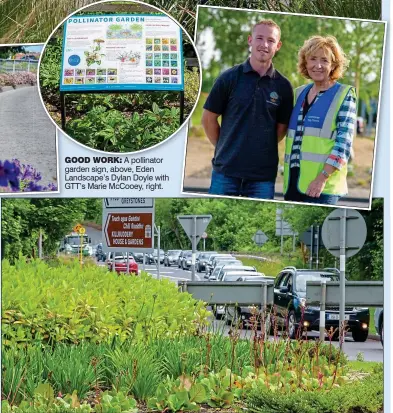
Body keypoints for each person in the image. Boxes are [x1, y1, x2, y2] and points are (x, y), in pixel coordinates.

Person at [202, 20, 293, 199]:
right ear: (250, 40)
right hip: (225, 173)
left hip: (262, 178)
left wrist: (258, 147)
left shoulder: (283, 87)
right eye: (259, 38)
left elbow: (281, 129)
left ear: (278, 46)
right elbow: (208, 119)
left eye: (271, 40)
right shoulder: (228, 78)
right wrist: (225, 146)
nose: (264, 45)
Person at [283, 35, 357, 205]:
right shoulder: (298, 93)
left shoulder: (344, 95)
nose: (318, 65)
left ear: (333, 65)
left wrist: (322, 178)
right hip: (294, 183)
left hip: (323, 187)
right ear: (305, 63)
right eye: (313, 59)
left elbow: (343, 145)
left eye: (324, 60)